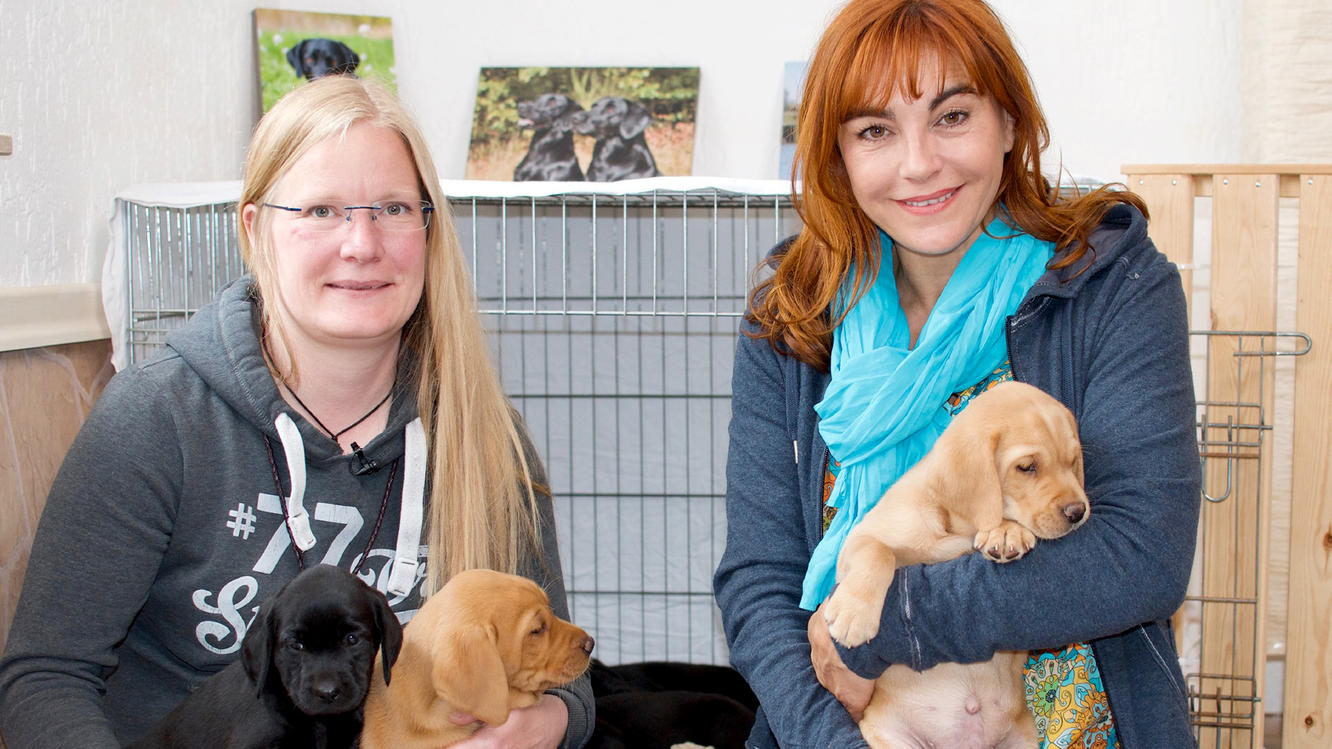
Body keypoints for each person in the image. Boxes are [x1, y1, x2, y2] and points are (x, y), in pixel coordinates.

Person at [0, 76, 594, 749]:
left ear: (429, 229)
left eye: (394, 208)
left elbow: (568, 682)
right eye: (320, 211)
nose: (362, 243)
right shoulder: (155, 418)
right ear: (256, 229)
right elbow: (44, 679)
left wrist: (543, 725)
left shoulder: (486, 435)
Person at [713, 1, 1201, 747]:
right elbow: (759, 584)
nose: (918, 163)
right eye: (875, 130)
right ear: (837, 155)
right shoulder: (794, 314)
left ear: (1008, 122)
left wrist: (885, 621)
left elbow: (1137, 556)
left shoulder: (1110, 283)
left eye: (951, 116)